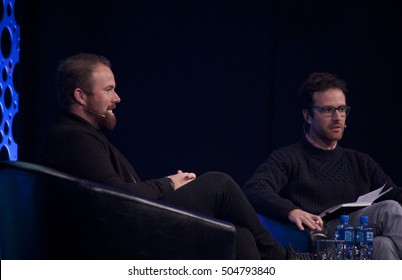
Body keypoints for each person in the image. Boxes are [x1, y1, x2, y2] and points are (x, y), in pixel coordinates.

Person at [40, 53, 309, 260]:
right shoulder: (71, 137)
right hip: (118, 239)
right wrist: (167, 185)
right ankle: (281, 258)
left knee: (239, 236)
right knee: (219, 185)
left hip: (126, 226)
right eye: (109, 90)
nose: (118, 98)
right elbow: (115, 197)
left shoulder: (82, 135)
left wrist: (168, 185)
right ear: (80, 96)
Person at [242, 72, 402, 259]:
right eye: (328, 110)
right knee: (389, 210)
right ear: (308, 115)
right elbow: (254, 188)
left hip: (353, 240)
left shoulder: (360, 162)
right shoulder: (289, 158)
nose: (337, 118)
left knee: (382, 244)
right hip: (319, 236)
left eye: (342, 109)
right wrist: (291, 211)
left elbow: (394, 193)